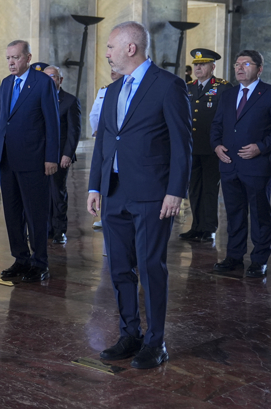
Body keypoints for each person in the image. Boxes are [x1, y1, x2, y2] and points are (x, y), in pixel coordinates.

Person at [87, 21, 191, 369]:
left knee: (150, 268)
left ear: (130, 48)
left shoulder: (168, 85)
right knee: (119, 268)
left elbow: (182, 145)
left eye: (110, 47)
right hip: (114, 193)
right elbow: (105, 141)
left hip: (152, 195)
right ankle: (129, 334)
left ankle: (155, 342)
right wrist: (95, 186)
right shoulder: (113, 89)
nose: (107, 53)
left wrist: (175, 192)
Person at [0, 42, 59, 283]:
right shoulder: (6, 83)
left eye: (16, 58)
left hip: (33, 159)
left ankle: (40, 262)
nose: (11, 62)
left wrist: (51, 157)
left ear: (28, 58)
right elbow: (1, 120)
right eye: (8, 58)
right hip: (7, 159)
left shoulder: (43, 82)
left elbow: (52, 122)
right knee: (12, 213)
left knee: (35, 213)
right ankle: (20, 259)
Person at [211, 49, 271, 278]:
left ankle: (259, 259)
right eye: (237, 64)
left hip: (256, 166)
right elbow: (217, 125)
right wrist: (216, 146)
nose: (239, 68)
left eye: (246, 64)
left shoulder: (268, 93)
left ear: (259, 69)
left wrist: (261, 147)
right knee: (234, 214)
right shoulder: (228, 95)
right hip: (229, 165)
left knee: (259, 215)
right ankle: (234, 256)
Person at [179, 49, 232, 242]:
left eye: (202, 64)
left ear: (213, 66)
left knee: (209, 189)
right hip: (192, 147)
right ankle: (196, 227)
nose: (198, 68)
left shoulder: (223, 87)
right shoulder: (189, 87)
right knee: (194, 188)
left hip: (212, 148)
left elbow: (228, 118)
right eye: (196, 65)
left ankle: (208, 229)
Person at [42, 64, 81, 244]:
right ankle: (46, 228)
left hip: (60, 156)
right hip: (40, 154)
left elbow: (74, 131)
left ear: (60, 80)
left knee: (57, 193)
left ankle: (59, 230)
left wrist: (67, 155)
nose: (49, 80)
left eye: (53, 76)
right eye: (46, 77)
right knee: (42, 193)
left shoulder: (70, 101)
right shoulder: (39, 98)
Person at [89, 65, 121, 229]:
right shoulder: (105, 90)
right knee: (105, 176)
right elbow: (94, 114)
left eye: (116, 67)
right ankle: (104, 214)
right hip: (106, 139)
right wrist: (96, 131)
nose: (112, 70)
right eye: (111, 67)